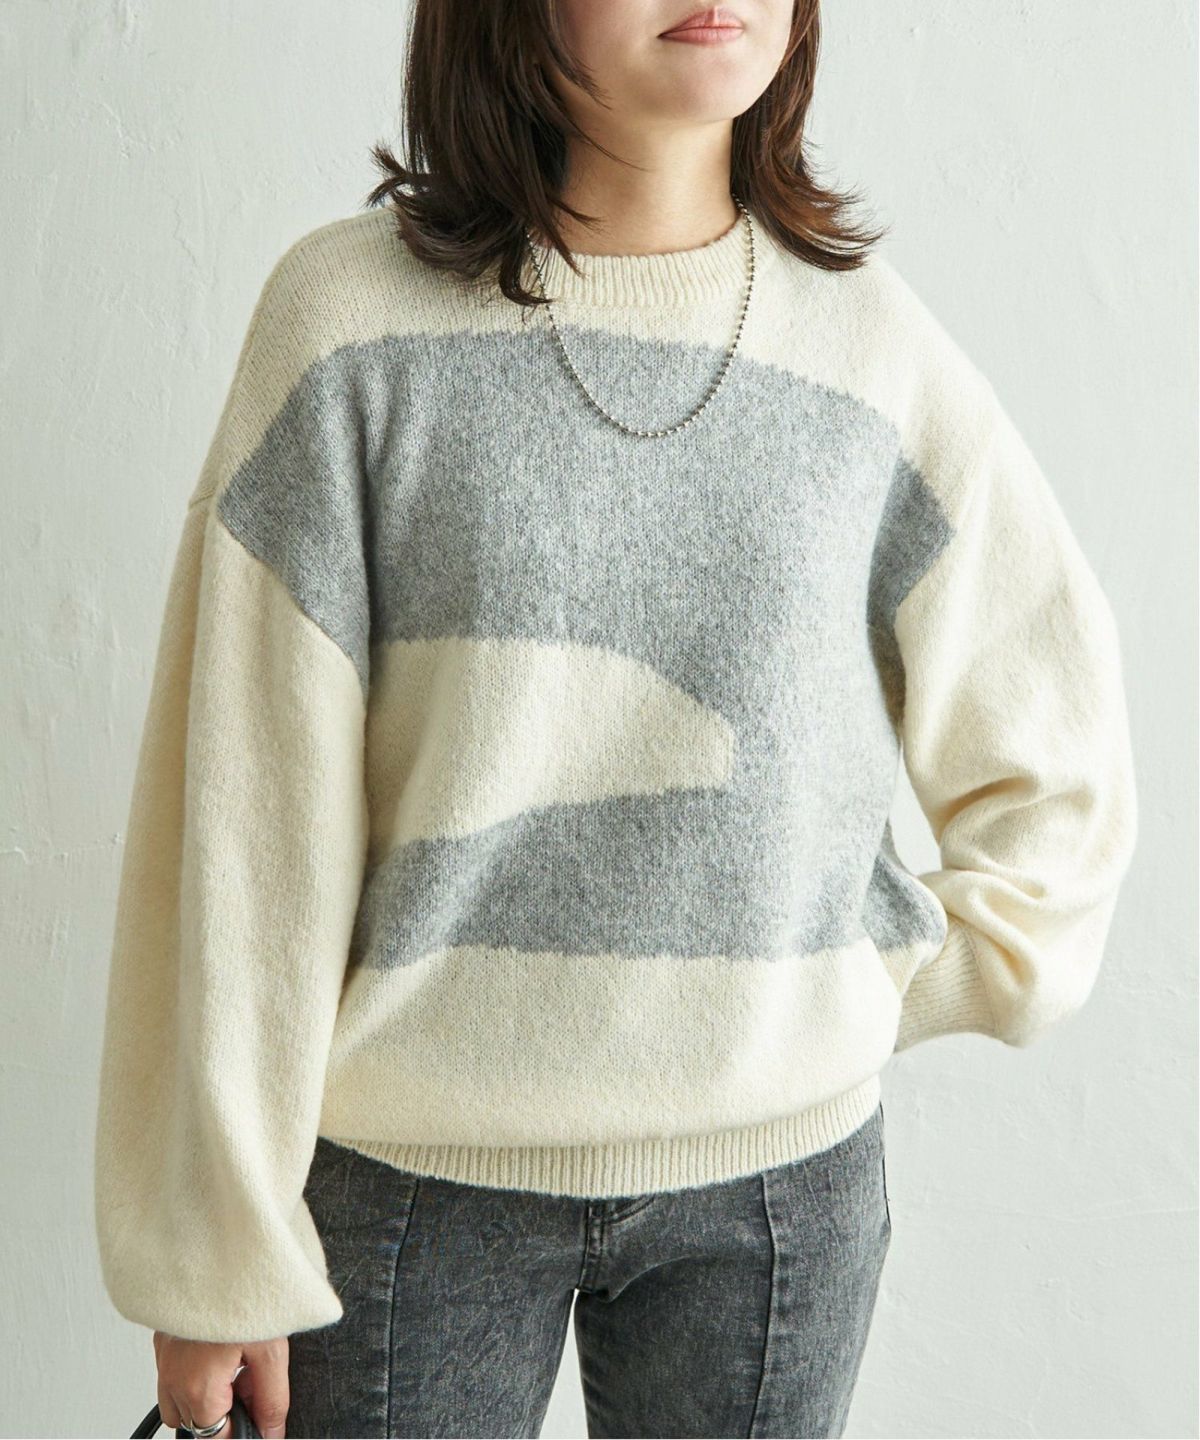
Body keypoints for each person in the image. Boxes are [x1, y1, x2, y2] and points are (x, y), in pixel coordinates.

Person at [92, 1, 1139, 1436]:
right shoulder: (346, 326)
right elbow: (241, 819)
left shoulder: (872, 352)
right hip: (411, 1194)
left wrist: (882, 981)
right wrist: (214, 1251)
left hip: (776, 1195)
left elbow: (1055, 739)